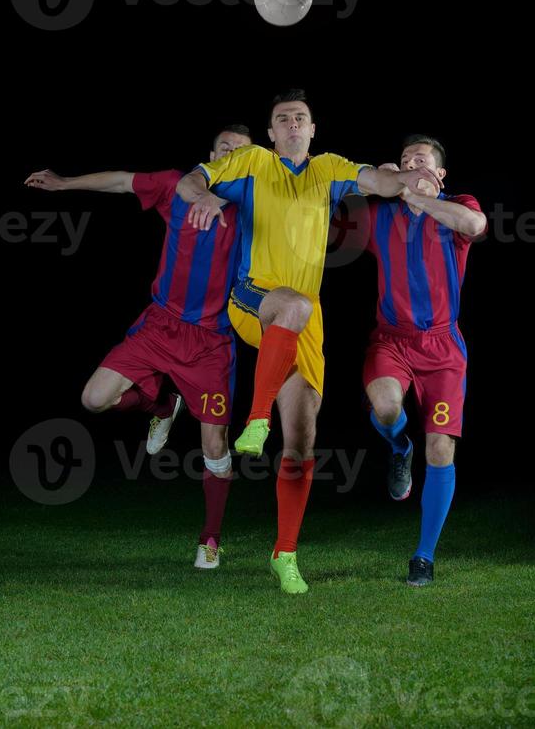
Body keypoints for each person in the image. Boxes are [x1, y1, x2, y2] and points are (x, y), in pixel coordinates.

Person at [176, 91, 441, 593]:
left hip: (305, 320)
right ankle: (256, 420)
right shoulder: (251, 161)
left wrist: (405, 178)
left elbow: (377, 180)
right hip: (253, 298)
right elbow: (191, 180)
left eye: (300, 117)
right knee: (294, 305)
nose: (292, 124)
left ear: (312, 129)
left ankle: (285, 554)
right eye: (282, 119)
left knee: (300, 443)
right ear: (272, 133)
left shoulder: (328, 169)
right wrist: (206, 195)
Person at [24, 124, 252, 569]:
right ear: (209, 153)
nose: (229, 153)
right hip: (161, 325)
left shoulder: (255, 203)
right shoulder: (176, 186)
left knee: (215, 448)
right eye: (223, 147)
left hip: (212, 342)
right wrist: (65, 183)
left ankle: (210, 538)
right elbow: (121, 180)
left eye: (239, 151)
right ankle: (163, 407)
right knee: (94, 399)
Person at [359, 135, 487, 586]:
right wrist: (378, 182)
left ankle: (424, 556)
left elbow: (473, 223)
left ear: (441, 173)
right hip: (392, 341)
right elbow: (336, 195)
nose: (412, 163)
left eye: (422, 160)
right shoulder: (380, 214)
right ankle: (399, 448)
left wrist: (416, 192)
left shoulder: (456, 205)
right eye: (406, 159)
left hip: (443, 347)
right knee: (387, 408)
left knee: (441, 448)